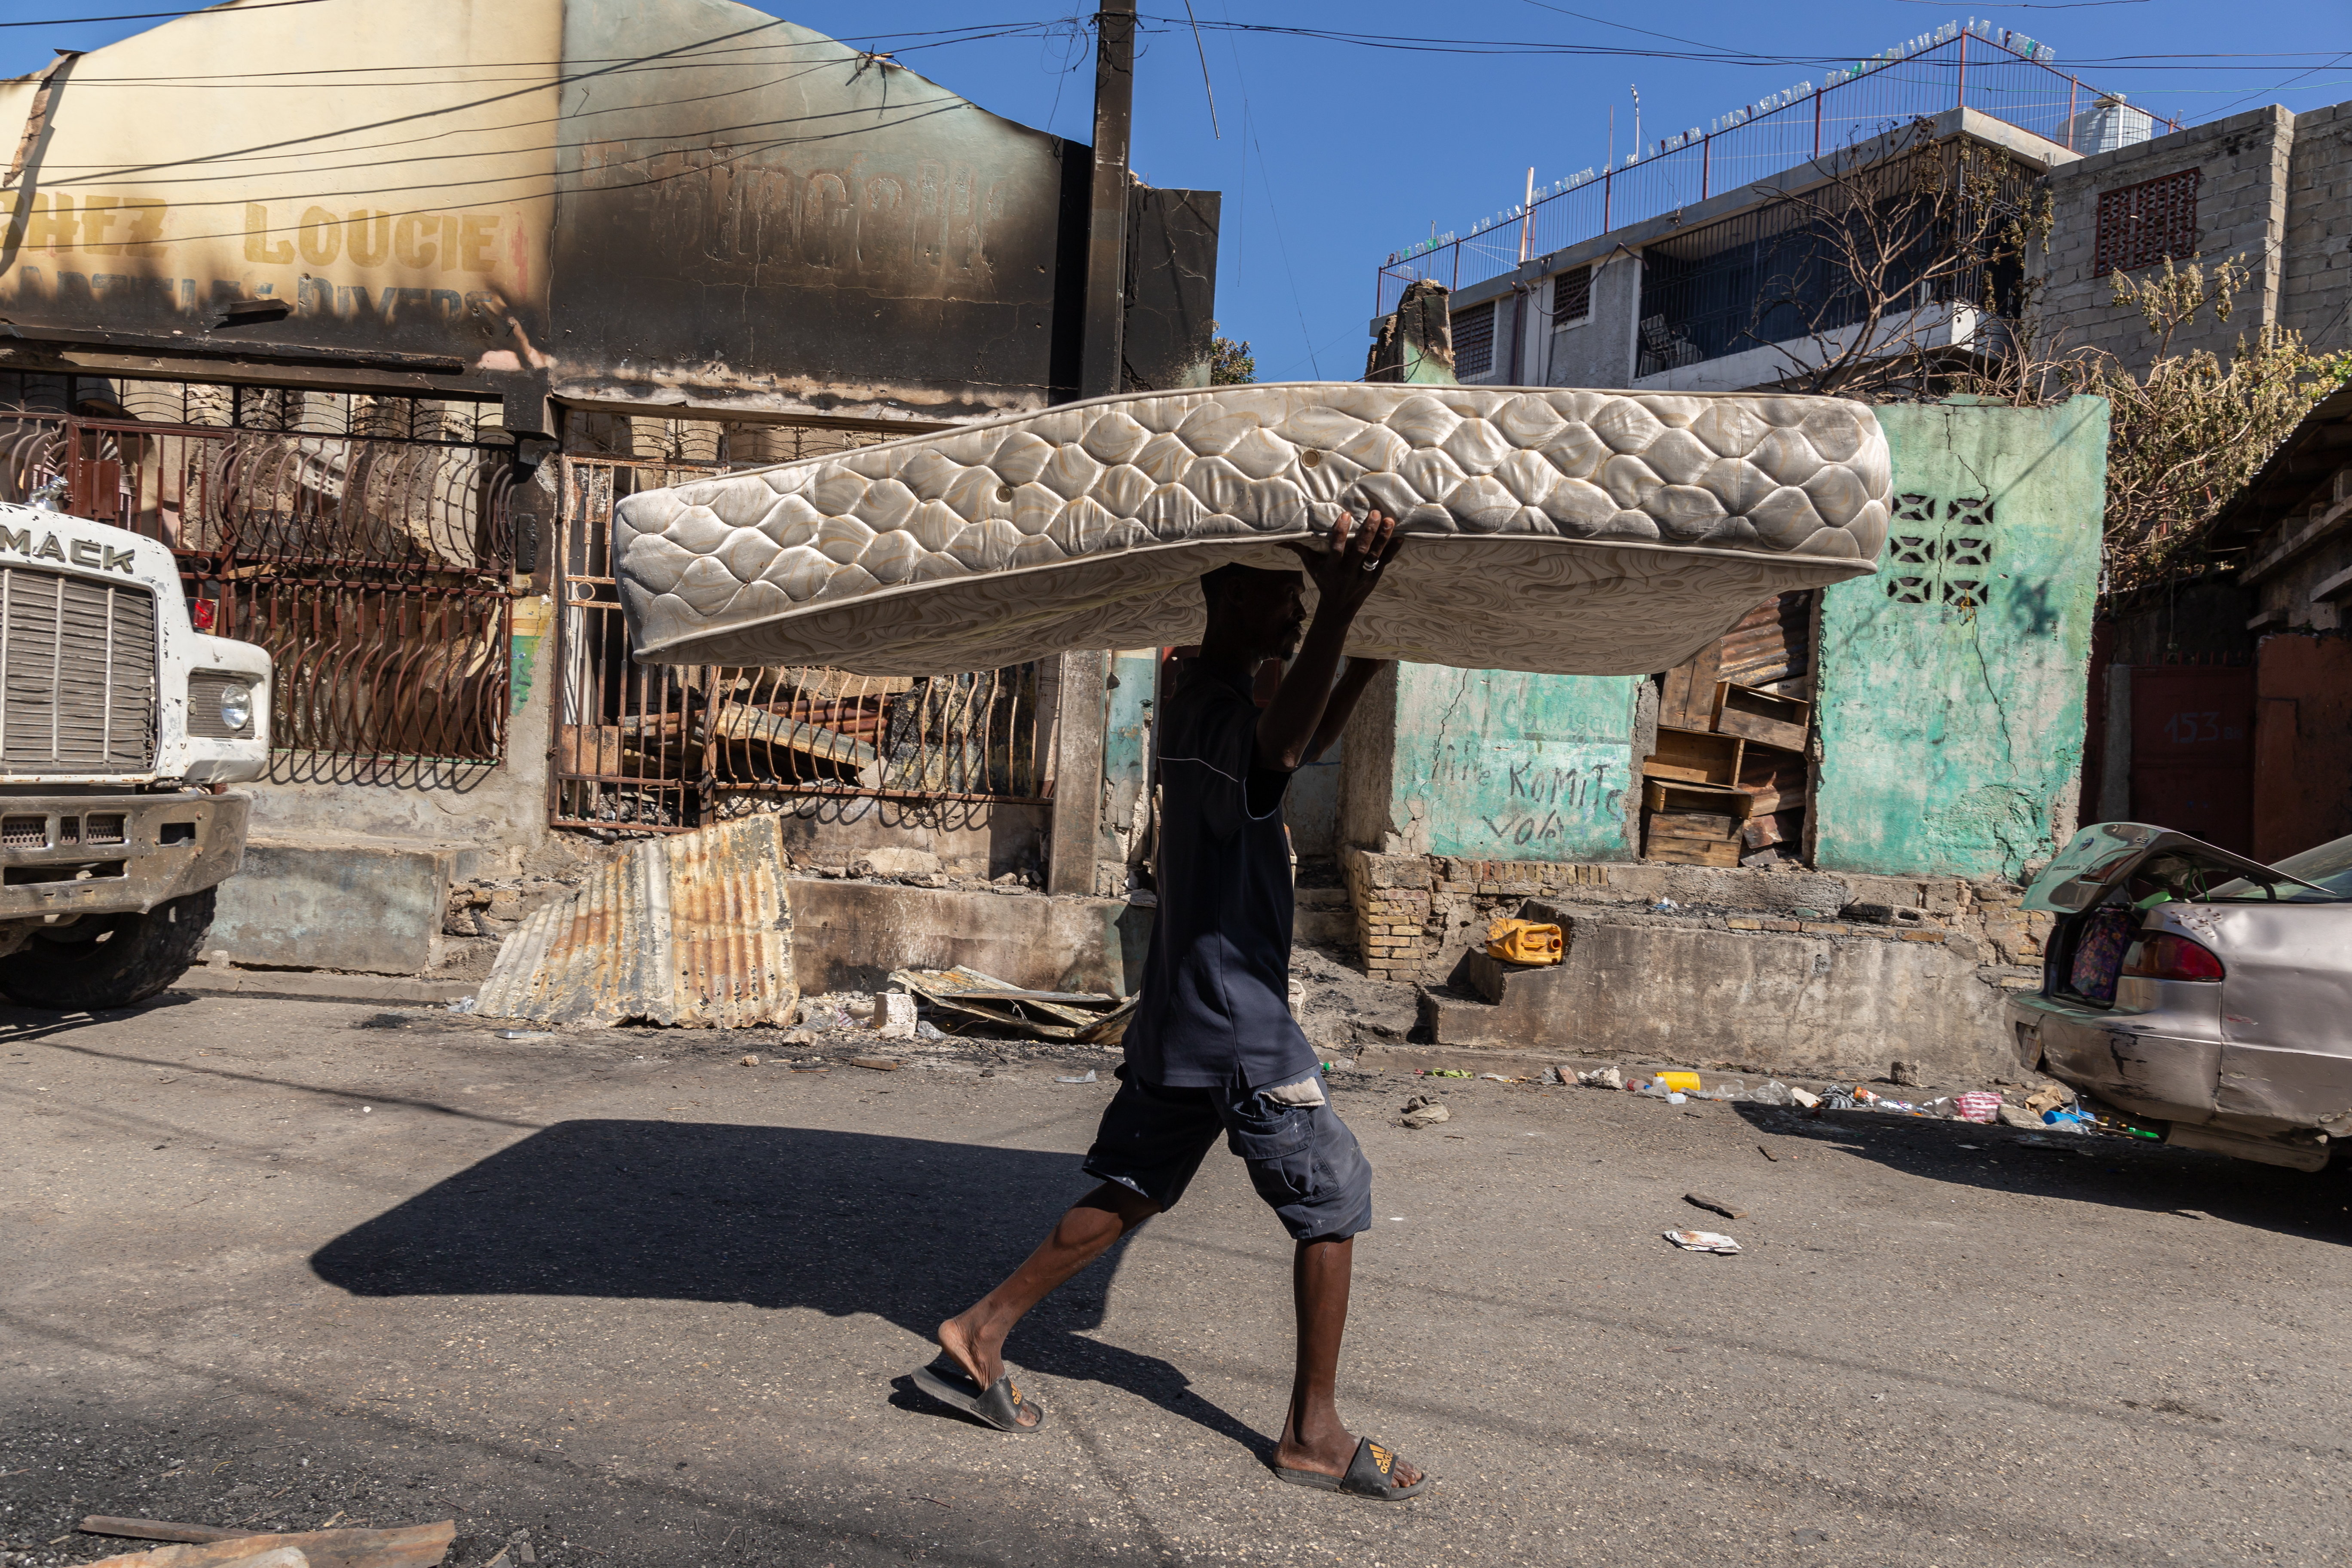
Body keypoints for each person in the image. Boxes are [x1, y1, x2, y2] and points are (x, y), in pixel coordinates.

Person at [912, 509, 1431, 1501]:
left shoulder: (1197, 707)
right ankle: (1313, 1434)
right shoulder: (1236, 720)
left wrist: (1360, 651)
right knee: (1334, 1204)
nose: (1295, 616)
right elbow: (1286, 745)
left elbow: (1296, 740)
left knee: (1137, 1187)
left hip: (1178, 1013)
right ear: (1232, 601)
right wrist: (1347, 609)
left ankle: (978, 1334)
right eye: (1286, 600)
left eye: (1302, 605)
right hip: (1239, 1021)